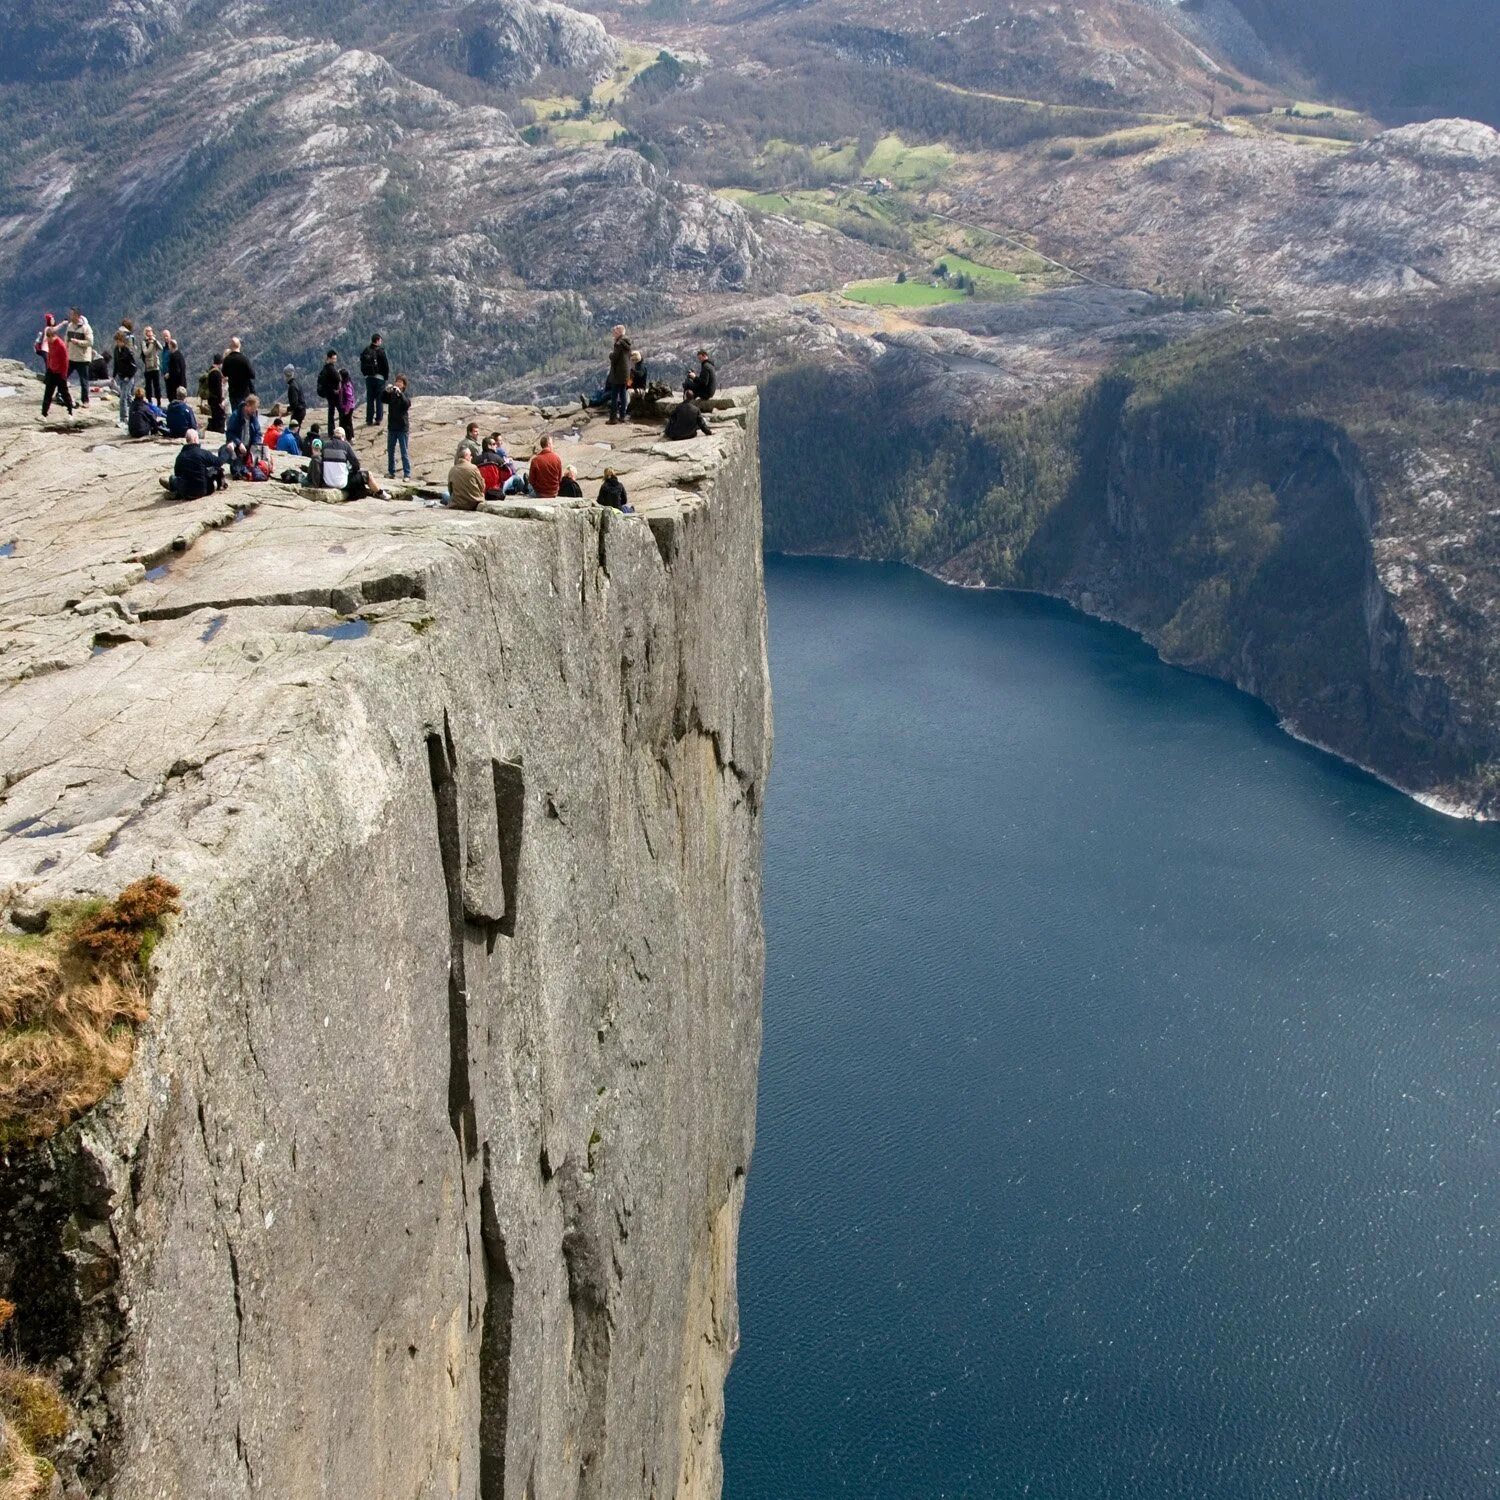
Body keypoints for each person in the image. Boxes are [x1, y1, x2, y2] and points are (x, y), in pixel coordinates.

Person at [161, 430, 227, 500]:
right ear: (195, 439)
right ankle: (177, 490)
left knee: (173, 478)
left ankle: (175, 490)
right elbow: (219, 462)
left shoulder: (180, 456)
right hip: (205, 490)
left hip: (186, 492)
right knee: (214, 469)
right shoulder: (203, 453)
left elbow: (177, 474)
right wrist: (227, 451)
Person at [41, 326, 73, 417]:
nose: (48, 340)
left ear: (54, 336)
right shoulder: (50, 343)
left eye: (49, 338)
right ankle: (44, 414)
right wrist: (49, 368)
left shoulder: (61, 345)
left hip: (60, 373)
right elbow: (50, 355)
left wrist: (64, 374)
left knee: (64, 393)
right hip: (51, 371)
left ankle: (70, 412)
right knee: (48, 394)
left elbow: (65, 361)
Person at [384, 374, 412, 479]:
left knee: (404, 451)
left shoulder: (404, 395)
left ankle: (407, 474)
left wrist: (400, 394)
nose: (398, 383)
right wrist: (386, 391)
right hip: (392, 426)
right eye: (397, 381)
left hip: (402, 428)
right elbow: (383, 399)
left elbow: (406, 404)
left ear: (404, 385)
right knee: (390, 451)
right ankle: (391, 472)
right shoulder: (392, 394)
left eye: (400, 382)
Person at [360, 333, 389, 427]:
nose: (381, 342)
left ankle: (369, 419)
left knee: (370, 399)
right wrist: (385, 377)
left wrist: (365, 375)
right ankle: (378, 419)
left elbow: (362, 364)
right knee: (379, 399)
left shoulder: (366, 351)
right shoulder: (381, 351)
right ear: (377, 340)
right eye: (380, 340)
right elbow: (385, 365)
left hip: (369, 378)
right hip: (379, 378)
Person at [112, 328, 138, 423]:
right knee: (128, 398)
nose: (118, 343)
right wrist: (113, 376)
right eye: (117, 341)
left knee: (123, 397)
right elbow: (116, 364)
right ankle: (136, 411)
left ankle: (124, 418)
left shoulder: (127, 351)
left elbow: (134, 367)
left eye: (119, 341)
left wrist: (129, 376)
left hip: (129, 378)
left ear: (123, 341)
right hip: (121, 376)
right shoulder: (116, 350)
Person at [607, 325, 631, 424]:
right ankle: (622, 416)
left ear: (619, 333)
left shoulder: (618, 344)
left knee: (614, 396)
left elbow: (615, 357)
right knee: (623, 394)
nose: (614, 334)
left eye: (615, 332)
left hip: (617, 374)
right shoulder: (627, 343)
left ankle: (613, 418)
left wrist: (610, 355)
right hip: (625, 373)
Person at [222, 337, 255, 410]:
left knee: (235, 414)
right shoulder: (244, 359)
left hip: (233, 392)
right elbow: (252, 375)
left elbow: (224, 373)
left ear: (231, 346)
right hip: (244, 393)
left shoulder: (227, 360)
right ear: (239, 345)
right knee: (244, 415)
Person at [528, 434, 563, 498]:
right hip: (553, 493)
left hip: (540, 493)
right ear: (549, 444)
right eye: (552, 443)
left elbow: (531, 480)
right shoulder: (557, 458)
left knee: (529, 487)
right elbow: (559, 479)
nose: (553, 445)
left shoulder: (535, 460)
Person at [315, 351, 341, 430]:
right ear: (329, 358)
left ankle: (331, 430)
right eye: (333, 358)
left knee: (331, 411)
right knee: (341, 410)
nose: (335, 360)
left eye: (335, 358)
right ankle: (342, 427)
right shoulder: (330, 368)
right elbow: (338, 378)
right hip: (333, 393)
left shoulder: (325, 368)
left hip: (328, 392)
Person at [140, 327, 163, 403]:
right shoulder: (144, 342)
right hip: (148, 367)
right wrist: (151, 344)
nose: (150, 333)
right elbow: (146, 352)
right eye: (148, 331)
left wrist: (155, 341)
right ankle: (149, 400)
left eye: (151, 331)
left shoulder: (154, 340)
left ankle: (158, 400)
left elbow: (161, 348)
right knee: (148, 386)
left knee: (157, 385)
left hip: (156, 366)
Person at [205, 353, 227, 433]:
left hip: (211, 398)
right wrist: (221, 400)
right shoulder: (217, 373)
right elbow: (218, 389)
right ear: (220, 363)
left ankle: (213, 427)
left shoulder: (211, 370)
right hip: (216, 399)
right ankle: (218, 429)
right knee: (219, 416)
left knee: (214, 415)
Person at [164, 336, 187, 404]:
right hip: (182, 382)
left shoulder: (173, 356)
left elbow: (176, 371)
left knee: (175, 401)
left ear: (171, 346)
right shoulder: (180, 355)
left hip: (175, 384)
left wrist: (169, 375)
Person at [337, 367, 356, 440]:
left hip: (347, 407)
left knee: (346, 423)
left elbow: (349, 398)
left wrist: (347, 410)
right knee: (347, 422)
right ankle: (349, 436)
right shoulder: (344, 384)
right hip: (345, 406)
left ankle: (349, 437)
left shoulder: (347, 386)